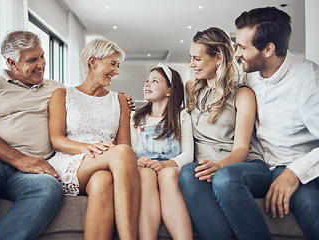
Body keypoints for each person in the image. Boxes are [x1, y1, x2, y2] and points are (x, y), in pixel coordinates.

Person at [211, 7, 319, 240]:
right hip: (259, 166)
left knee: (312, 209)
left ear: (268, 49)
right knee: (225, 179)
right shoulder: (248, 75)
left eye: (242, 47)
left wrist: (294, 173)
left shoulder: (308, 80)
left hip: (296, 167)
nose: (237, 53)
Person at [0, 31, 64, 240]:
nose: (41, 64)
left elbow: (86, 106)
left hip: (28, 174)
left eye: (42, 56)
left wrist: (121, 105)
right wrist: (21, 159)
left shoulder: (57, 89)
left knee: (49, 187)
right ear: (12, 62)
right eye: (32, 60)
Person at [47, 37, 140, 240]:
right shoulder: (62, 95)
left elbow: (124, 144)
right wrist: (85, 147)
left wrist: (109, 154)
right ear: (93, 62)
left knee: (103, 181)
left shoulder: (121, 100)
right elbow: (56, 139)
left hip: (106, 161)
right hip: (72, 160)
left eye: (118, 65)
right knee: (123, 153)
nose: (117, 71)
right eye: (113, 64)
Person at [178, 27, 263, 240]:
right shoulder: (191, 88)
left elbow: (242, 149)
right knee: (189, 172)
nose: (191, 64)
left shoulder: (242, 94)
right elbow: (161, 97)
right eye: (191, 58)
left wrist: (220, 166)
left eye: (197, 59)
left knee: (222, 178)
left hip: (242, 166)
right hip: (206, 168)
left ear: (218, 58)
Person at [131, 63, 194, 240]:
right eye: (147, 81)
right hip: (145, 172)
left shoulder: (182, 117)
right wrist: (138, 161)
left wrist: (164, 165)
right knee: (146, 175)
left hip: (170, 170)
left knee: (167, 175)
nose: (147, 84)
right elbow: (131, 150)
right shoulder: (136, 118)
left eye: (154, 81)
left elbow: (188, 155)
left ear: (169, 91)